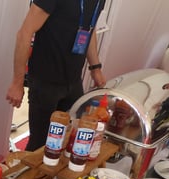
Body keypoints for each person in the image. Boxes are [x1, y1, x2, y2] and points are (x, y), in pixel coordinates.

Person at [6, 0, 107, 151]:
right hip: (45, 81)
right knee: (39, 144)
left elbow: (89, 30)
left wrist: (95, 68)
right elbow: (24, 34)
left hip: (73, 80)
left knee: (70, 139)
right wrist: (17, 83)